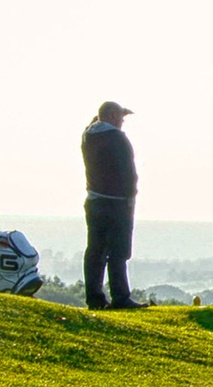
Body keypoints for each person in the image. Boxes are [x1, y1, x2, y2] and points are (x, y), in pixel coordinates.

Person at [81, 101, 148, 310]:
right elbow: (128, 172)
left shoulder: (88, 136)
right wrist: (131, 196)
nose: (122, 122)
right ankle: (120, 297)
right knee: (119, 252)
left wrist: (108, 114)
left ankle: (95, 298)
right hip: (117, 203)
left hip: (94, 201)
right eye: (120, 117)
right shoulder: (117, 138)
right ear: (111, 116)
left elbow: (94, 121)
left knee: (95, 250)